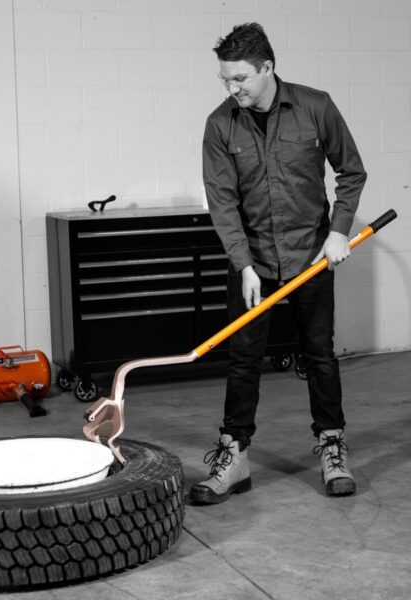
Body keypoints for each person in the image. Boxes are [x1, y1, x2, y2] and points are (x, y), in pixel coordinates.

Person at [192, 22, 366, 504]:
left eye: (240, 78)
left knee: (319, 356)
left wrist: (338, 232)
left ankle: (332, 447)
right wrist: (244, 265)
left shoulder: (316, 107)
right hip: (253, 262)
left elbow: (351, 171)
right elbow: (222, 201)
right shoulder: (220, 124)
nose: (232, 88)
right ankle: (234, 457)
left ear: (267, 67)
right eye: (225, 79)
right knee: (243, 359)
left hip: (311, 257)